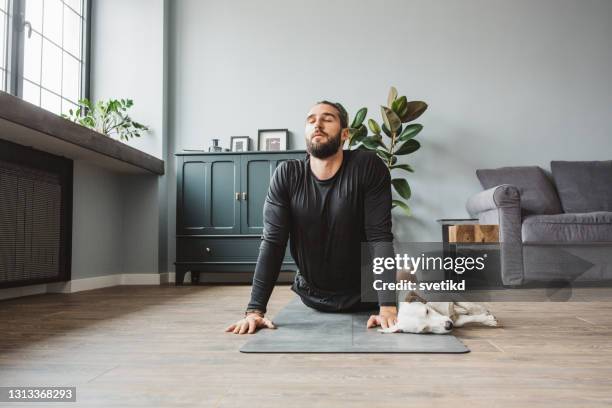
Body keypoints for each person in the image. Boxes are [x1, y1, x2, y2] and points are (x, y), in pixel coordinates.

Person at [225, 100, 398, 335]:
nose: (317, 124)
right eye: (311, 120)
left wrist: (387, 307)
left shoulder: (367, 166)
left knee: (410, 275)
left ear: (345, 134)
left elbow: (379, 237)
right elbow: (273, 243)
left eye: (327, 119)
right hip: (314, 297)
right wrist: (254, 311)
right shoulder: (287, 174)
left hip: (366, 295)